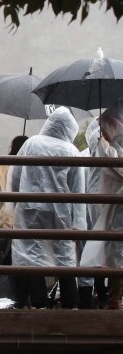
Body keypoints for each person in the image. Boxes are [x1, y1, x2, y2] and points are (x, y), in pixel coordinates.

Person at [9, 107, 86, 309]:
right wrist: (78, 224)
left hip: (29, 208)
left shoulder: (31, 143)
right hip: (59, 211)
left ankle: (38, 301)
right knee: (63, 254)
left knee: (32, 253)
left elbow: (15, 175)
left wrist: (15, 200)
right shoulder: (72, 151)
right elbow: (78, 190)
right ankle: (70, 301)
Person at [81, 104, 123, 309]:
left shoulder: (111, 147)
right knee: (114, 252)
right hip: (113, 206)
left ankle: (113, 298)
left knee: (114, 251)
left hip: (113, 205)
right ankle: (113, 298)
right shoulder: (106, 147)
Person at [0, 136, 27, 300]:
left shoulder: (2, 164)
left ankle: (2, 300)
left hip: (3, 223)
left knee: (1, 267)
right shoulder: (30, 166)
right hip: (24, 224)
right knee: (23, 266)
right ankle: (21, 300)